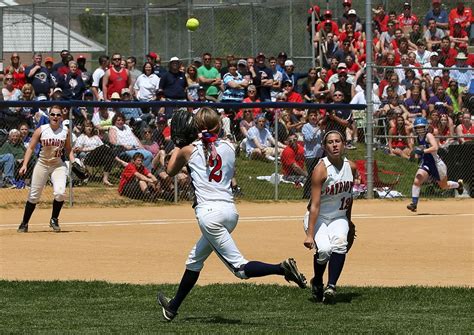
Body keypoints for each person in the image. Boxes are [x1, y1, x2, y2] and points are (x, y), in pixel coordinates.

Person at [157, 107, 307, 322]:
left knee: (240, 269)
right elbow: (212, 148)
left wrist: (178, 144)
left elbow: (170, 171)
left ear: (196, 128)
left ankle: (281, 269)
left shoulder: (188, 150)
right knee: (194, 260)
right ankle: (172, 307)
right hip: (230, 211)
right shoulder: (229, 146)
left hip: (209, 215)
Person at [303, 130, 357, 304]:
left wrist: (349, 222)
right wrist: (310, 234)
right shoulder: (321, 169)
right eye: (330, 142)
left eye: (338, 141)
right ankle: (317, 281)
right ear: (325, 147)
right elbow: (314, 205)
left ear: (343, 144)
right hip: (318, 217)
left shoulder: (352, 167)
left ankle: (331, 286)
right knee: (325, 251)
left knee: (340, 244)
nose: (334, 145)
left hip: (339, 217)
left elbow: (348, 197)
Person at [17, 105, 75, 233]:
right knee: (34, 196)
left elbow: (68, 149)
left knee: (60, 193)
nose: (55, 117)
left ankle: (54, 219)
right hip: (42, 163)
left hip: (57, 165)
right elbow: (31, 148)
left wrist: (74, 162)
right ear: (49, 116)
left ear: (61, 117)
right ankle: (24, 222)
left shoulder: (65, 131)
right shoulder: (41, 130)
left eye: (58, 115)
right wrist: (25, 164)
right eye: (53, 114)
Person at [407, 117, 463, 212]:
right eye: (418, 127)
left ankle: (458, 185)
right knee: (417, 180)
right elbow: (420, 149)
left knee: (443, 186)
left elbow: (435, 147)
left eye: (422, 127)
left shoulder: (428, 135)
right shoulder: (418, 138)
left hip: (437, 165)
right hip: (427, 163)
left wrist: (422, 151)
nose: (420, 129)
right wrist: (415, 153)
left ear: (426, 127)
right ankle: (414, 204)